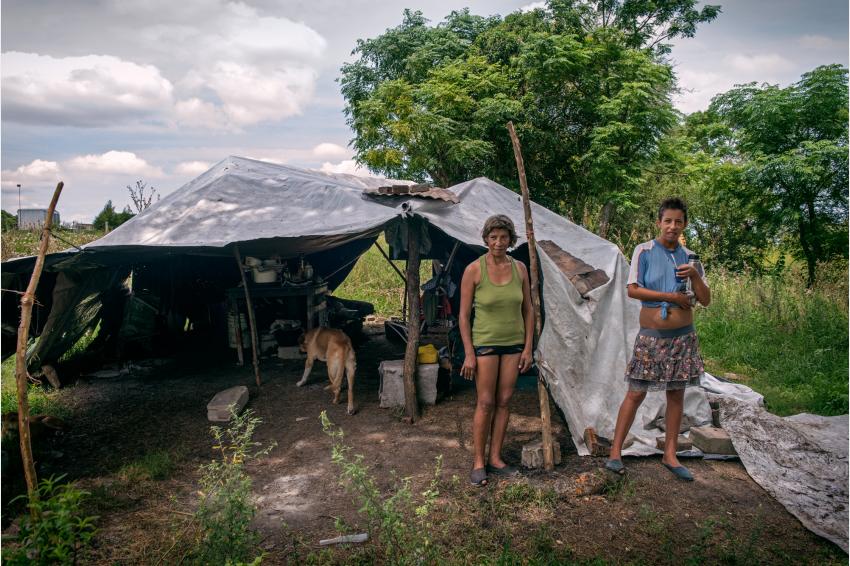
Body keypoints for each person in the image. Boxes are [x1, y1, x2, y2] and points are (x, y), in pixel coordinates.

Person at [606, 198, 710, 481]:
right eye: (668, 221)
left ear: (684, 225)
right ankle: (615, 453)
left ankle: (670, 454)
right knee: (636, 392)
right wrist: (670, 297)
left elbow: (705, 299)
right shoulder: (644, 251)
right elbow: (633, 290)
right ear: (659, 223)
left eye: (678, 222)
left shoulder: (690, 257)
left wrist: (694, 276)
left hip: (682, 338)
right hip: (652, 338)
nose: (672, 226)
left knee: (676, 394)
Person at [459, 215, 534, 487]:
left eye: (504, 237)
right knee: (486, 401)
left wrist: (528, 347)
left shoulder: (520, 269)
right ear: (486, 239)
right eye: (493, 237)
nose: (499, 242)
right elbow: (463, 316)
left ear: (511, 239)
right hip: (486, 343)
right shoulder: (474, 270)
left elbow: (528, 310)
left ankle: (495, 457)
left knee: (504, 400)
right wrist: (469, 353)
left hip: (513, 343)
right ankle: (479, 461)